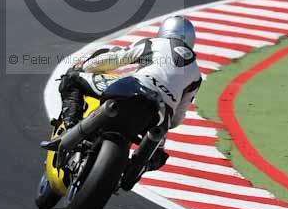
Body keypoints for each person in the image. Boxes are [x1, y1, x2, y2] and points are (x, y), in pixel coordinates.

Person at [58, 16, 202, 173]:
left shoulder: (153, 43)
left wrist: (84, 67)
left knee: (71, 79)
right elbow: (177, 118)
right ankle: (132, 172)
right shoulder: (196, 75)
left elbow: (115, 58)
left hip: (133, 88)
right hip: (160, 116)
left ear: (164, 31)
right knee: (157, 157)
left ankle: (70, 127)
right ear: (191, 40)